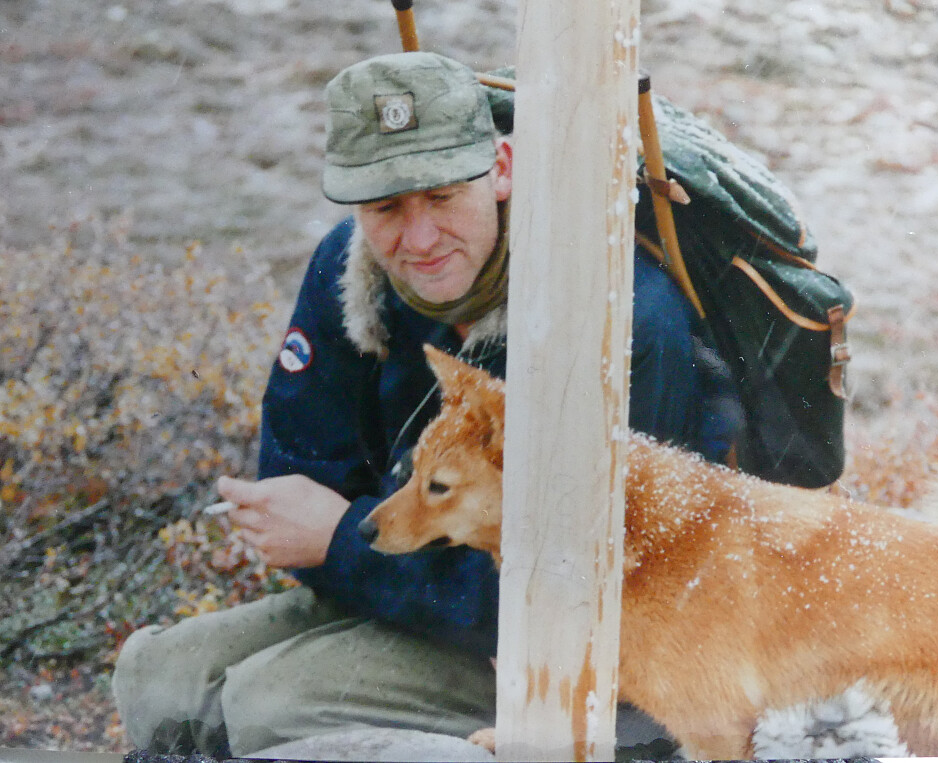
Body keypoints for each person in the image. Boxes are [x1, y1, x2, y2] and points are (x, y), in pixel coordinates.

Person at [112, 51, 742, 758]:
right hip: (432, 598)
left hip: (596, 654)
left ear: (501, 170)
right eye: (386, 208)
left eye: (442, 198)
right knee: (157, 676)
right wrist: (349, 544)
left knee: (268, 705)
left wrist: (347, 541)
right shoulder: (349, 273)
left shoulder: (613, 316)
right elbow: (305, 482)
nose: (417, 240)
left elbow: (584, 591)